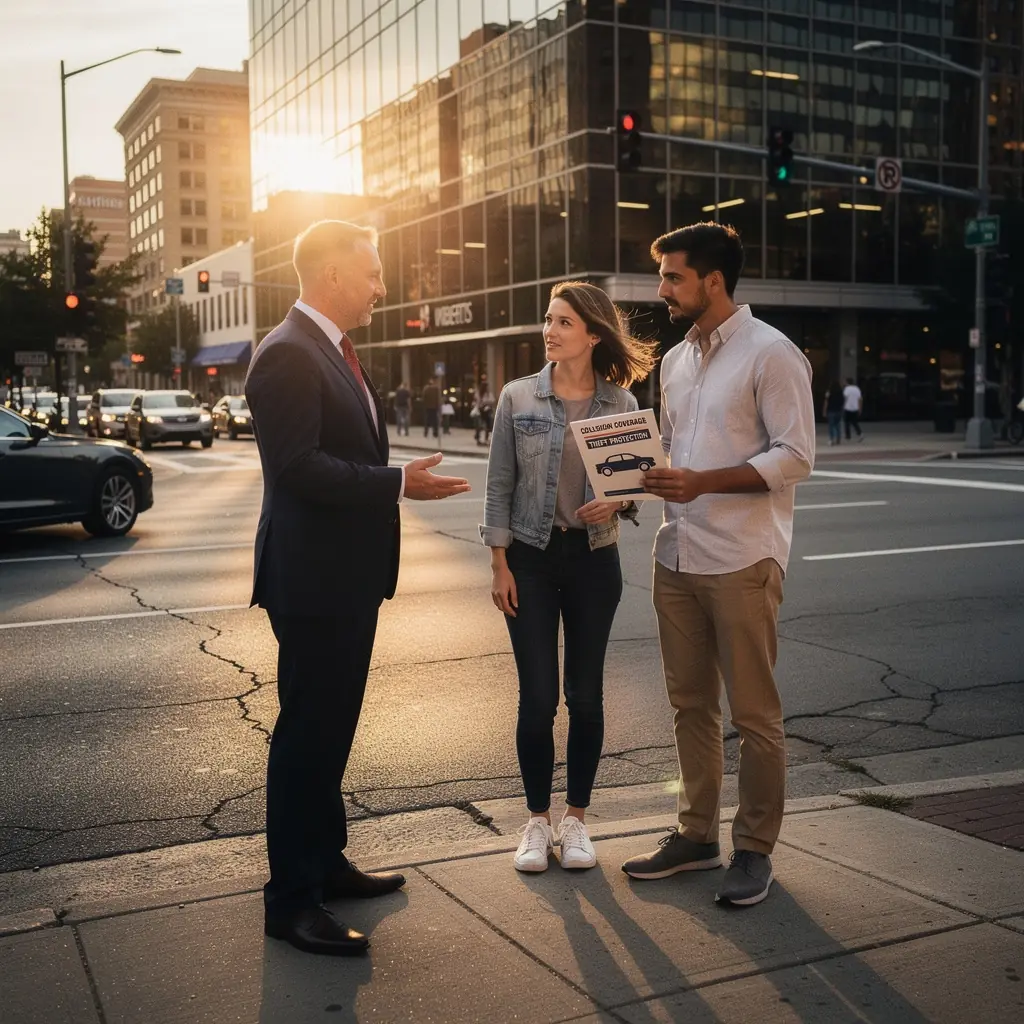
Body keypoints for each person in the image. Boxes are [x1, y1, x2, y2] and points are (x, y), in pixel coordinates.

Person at [244, 220, 471, 957]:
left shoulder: (332, 350)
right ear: (333, 274)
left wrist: (392, 481)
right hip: (312, 581)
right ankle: (290, 900)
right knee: (307, 733)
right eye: (372, 273)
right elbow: (300, 468)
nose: (381, 287)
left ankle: (326, 863)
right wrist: (397, 482)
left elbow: (335, 455)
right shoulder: (287, 354)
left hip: (345, 577)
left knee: (333, 727)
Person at [620, 222, 814, 907]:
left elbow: (795, 457)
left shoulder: (773, 354)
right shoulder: (675, 363)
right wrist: (634, 478)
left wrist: (704, 482)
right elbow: (672, 451)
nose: (662, 289)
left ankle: (754, 850)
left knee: (754, 715)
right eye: (663, 275)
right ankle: (696, 835)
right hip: (676, 553)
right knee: (690, 706)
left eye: (673, 277)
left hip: (741, 558)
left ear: (712, 280)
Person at [482, 281, 657, 874]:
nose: (549, 331)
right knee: (538, 700)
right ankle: (536, 823)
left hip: (593, 562)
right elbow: (499, 486)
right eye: (548, 319)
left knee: (586, 698)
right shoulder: (519, 397)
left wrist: (618, 504)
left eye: (561, 322)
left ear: (592, 333)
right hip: (529, 561)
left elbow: (633, 489)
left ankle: (576, 821)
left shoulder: (622, 407)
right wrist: (499, 563)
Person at [823, 380, 844, 446]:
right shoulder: (841, 392)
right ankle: (838, 438)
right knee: (838, 425)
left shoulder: (829, 392)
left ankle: (831, 439)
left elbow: (826, 402)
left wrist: (824, 410)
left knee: (831, 426)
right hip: (838, 410)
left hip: (831, 410)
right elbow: (843, 402)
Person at [843, 376, 864, 441]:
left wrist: (843, 406)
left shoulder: (847, 389)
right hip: (855, 408)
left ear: (847, 382)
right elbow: (860, 399)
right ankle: (860, 433)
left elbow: (845, 398)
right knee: (854, 422)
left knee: (847, 422)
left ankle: (848, 435)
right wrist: (860, 408)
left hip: (847, 408)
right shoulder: (857, 389)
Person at [475, 378, 495, 445]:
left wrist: (486, 403)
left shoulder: (488, 393)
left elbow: (492, 400)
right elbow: (478, 402)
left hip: (486, 411)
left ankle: (485, 439)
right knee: (480, 426)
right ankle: (479, 439)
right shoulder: (480, 394)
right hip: (480, 411)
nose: (487, 388)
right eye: (486, 386)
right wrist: (485, 403)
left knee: (487, 425)